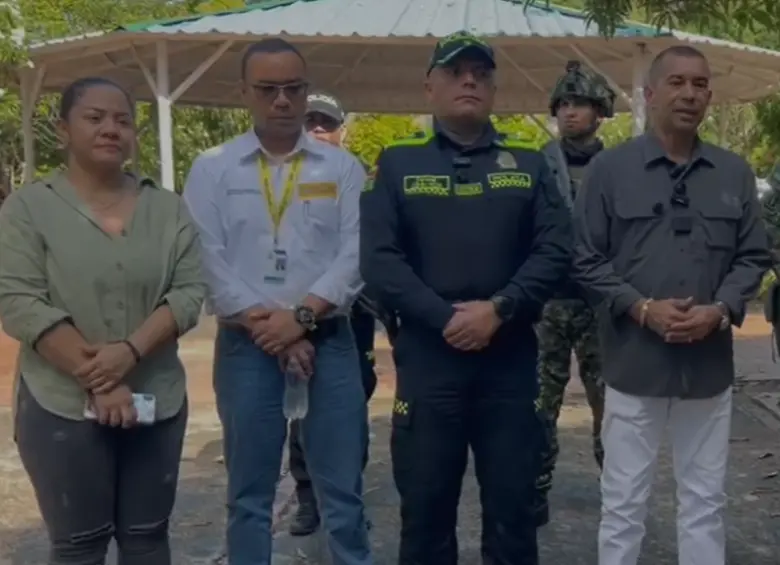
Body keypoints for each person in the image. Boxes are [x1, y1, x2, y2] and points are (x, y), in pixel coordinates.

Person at [360, 31, 572, 565]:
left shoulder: (528, 163)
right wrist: (444, 318)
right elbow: (380, 261)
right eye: (455, 72)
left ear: (495, 88)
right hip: (430, 364)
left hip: (510, 362)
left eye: (480, 72)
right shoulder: (398, 164)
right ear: (430, 86)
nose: (469, 80)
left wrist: (498, 310)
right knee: (426, 513)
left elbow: (554, 251)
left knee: (514, 514)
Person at [573, 45, 771, 565]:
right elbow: (585, 258)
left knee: (705, 503)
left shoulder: (733, 173)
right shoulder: (610, 171)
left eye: (700, 84)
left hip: (707, 370)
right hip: (634, 364)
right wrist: (640, 308)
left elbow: (754, 255)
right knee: (623, 504)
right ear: (650, 93)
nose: (690, 93)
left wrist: (722, 309)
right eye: (678, 82)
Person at [0, 77, 206, 565]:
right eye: (95, 118)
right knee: (79, 545)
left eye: (122, 120)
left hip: (155, 395)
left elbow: (189, 292)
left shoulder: (168, 209)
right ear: (63, 129)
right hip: (59, 404)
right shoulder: (28, 209)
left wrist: (129, 353)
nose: (111, 129)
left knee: (147, 538)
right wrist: (99, 378)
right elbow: (19, 299)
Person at [183, 39, 372, 565]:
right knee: (248, 495)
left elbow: (356, 255)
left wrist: (303, 318)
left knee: (343, 493)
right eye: (268, 89)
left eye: (293, 88)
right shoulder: (213, 168)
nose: (283, 100)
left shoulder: (342, 169)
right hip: (248, 346)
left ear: (306, 90)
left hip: (329, 342)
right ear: (245, 92)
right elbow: (206, 254)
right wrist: (271, 327)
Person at [287, 89, 377, 536]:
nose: (318, 130)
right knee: (297, 408)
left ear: (342, 130)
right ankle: (308, 499)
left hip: (349, 316)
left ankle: (347, 497)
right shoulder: (278, 176)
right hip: (288, 319)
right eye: (310, 122)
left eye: (327, 122)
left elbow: (364, 247)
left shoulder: (354, 174)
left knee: (350, 408)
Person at [533, 60, 616, 525]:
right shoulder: (539, 166)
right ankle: (536, 489)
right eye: (563, 104)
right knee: (539, 405)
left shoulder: (619, 168)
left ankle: (618, 490)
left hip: (601, 307)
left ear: (599, 110)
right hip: (548, 305)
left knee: (610, 406)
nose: (569, 112)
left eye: (579, 103)